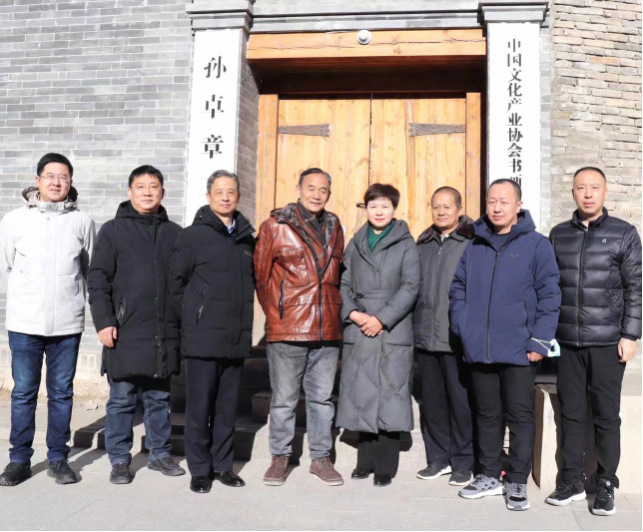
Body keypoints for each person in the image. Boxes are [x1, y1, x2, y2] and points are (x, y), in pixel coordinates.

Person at [450, 179, 561, 511]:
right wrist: (463, 325)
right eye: (491, 201)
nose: (496, 207)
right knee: (486, 414)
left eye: (504, 201)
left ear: (518, 205)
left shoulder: (537, 245)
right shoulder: (476, 245)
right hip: (480, 348)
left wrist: (540, 341)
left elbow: (550, 295)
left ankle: (516, 481)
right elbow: (458, 288)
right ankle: (488, 475)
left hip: (519, 348)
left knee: (520, 415)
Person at [545, 167, 641, 516]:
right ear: (572, 193)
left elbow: (635, 288)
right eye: (581, 188)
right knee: (571, 413)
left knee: (605, 415)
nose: (587, 194)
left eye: (594, 187)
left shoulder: (624, 233)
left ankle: (605, 483)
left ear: (604, 192)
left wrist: (630, 334)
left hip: (607, 342)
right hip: (568, 341)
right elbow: (548, 287)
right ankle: (571, 480)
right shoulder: (559, 235)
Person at [0, 153, 95, 487]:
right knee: (24, 392)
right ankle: (19, 460)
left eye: (63, 177)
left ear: (71, 183)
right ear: (37, 180)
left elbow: (89, 268)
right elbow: (6, 265)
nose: (56, 182)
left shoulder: (82, 221)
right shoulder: (15, 220)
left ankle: (58, 458)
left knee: (61, 393)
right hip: (25, 323)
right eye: (50, 176)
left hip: (67, 325)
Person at [88, 165, 185, 484]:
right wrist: (104, 321)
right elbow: (98, 280)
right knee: (121, 399)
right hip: (125, 330)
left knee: (159, 398)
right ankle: (119, 459)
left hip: (162, 331)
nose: (147, 192)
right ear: (129, 192)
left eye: (153, 187)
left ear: (162, 193)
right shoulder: (113, 230)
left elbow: (183, 285)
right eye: (141, 186)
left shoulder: (175, 234)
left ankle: (160, 454)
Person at [254, 168, 345, 487]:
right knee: (284, 400)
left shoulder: (335, 226)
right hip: (288, 326)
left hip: (327, 326)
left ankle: (320, 458)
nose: (316, 194)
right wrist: (278, 313)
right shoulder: (275, 226)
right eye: (311, 188)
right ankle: (280, 456)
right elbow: (261, 277)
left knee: (322, 399)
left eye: (323, 190)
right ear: (298, 188)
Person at [170, 170, 255, 494]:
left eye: (231, 191)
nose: (225, 197)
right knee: (199, 409)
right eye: (219, 191)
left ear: (238, 197)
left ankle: (223, 466)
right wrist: (194, 318)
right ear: (208, 197)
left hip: (234, 338)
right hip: (202, 338)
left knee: (226, 409)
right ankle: (200, 470)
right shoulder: (193, 236)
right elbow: (176, 285)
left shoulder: (246, 239)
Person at [337, 183, 420, 488]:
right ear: (366, 209)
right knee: (363, 394)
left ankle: (385, 466)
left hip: (392, 328)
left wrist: (381, 319)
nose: (379, 211)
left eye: (385, 206)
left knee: (390, 395)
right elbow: (343, 284)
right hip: (360, 327)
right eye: (373, 206)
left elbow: (410, 286)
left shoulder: (406, 243)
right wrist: (356, 315)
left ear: (394, 209)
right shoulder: (356, 242)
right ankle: (365, 462)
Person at [414, 187, 475, 486]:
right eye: (436, 207)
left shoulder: (471, 242)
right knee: (433, 403)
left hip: (455, 337)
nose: (441, 212)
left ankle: (463, 462)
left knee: (461, 403)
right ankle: (438, 459)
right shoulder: (423, 243)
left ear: (459, 210)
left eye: (447, 207)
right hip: (426, 336)